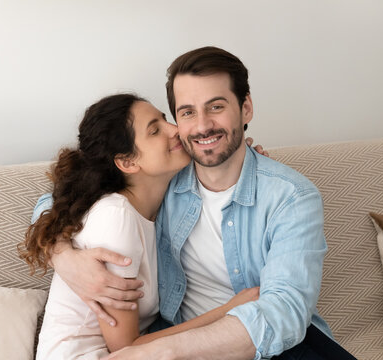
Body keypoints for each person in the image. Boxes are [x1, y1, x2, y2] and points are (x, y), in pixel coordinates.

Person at [42, 47, 357, 360]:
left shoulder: (290, 196)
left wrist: (164, 350)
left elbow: (283, 312)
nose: (202, 126)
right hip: (182, 341)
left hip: (260, 340)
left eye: (216, 106)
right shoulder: (162, 180)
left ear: (245, 108)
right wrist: (64, 257)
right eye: (187, 112)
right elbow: (57, 203)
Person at [19, 93, 260, 359]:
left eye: (165, 120)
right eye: (155, 130)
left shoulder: (160, 202)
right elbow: (125, 348)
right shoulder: (116, 216)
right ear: (127, 162)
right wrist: (231, 310)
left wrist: (243, 162)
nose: (175, 129)